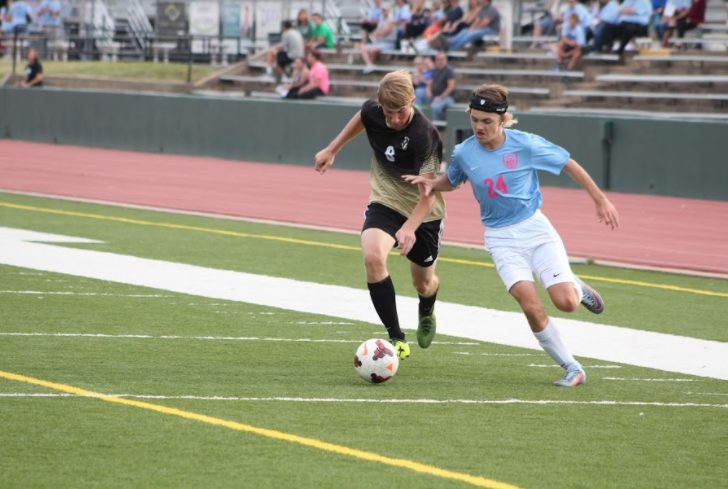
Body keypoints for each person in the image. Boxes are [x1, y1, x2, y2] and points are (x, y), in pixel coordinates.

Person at [403, 83, 619, 387]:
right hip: (499, 238)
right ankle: (572, 367)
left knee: (566, 303)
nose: (479, 126)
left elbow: (568, 164)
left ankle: (575, 287)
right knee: (530, 306)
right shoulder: (465, 152)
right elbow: (452, 181)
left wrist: (600, 199)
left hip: (535, 229)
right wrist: (430, 184)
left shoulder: (526, 144)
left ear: (502, 120)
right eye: (474, 119)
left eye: (487, 121)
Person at [314, 70, 446, 360]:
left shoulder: (426, 135)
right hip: (385, 202)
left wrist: (410, 227)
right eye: (389, 112)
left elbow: (429, 193)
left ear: (412, 101)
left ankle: (427, 307)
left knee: (423, 283)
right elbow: (363, 116)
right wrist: (332, 149)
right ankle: (396, 338)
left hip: (422, 214)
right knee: (373, 257)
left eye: (401, 112)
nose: (395, 119)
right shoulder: (374, 111)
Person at [417, 51, 455, 121]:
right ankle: (416, 113)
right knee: (419, 92)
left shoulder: (449, 71)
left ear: (445, 60)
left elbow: (451, 87)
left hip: (446, 97)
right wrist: (428, 90)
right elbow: (430, 82)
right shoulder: (435, 70)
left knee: (435, 106)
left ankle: (437, 125)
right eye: (438, 59)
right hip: (434, 95)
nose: (440, 61)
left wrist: (441, 97)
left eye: (442, 59)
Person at [361, 3, 397, 73]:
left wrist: (378, 34)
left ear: (388, 10)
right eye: (382, 10)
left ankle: (370, 64)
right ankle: (369, 64)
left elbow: (384, 32)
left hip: (389, 43)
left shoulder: (391, 20)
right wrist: (378, 34)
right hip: (381, 42)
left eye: (384, 10)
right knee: (363, 47)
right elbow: (375, 33)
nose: (383, 12)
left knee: (374, 49)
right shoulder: (382, 20)